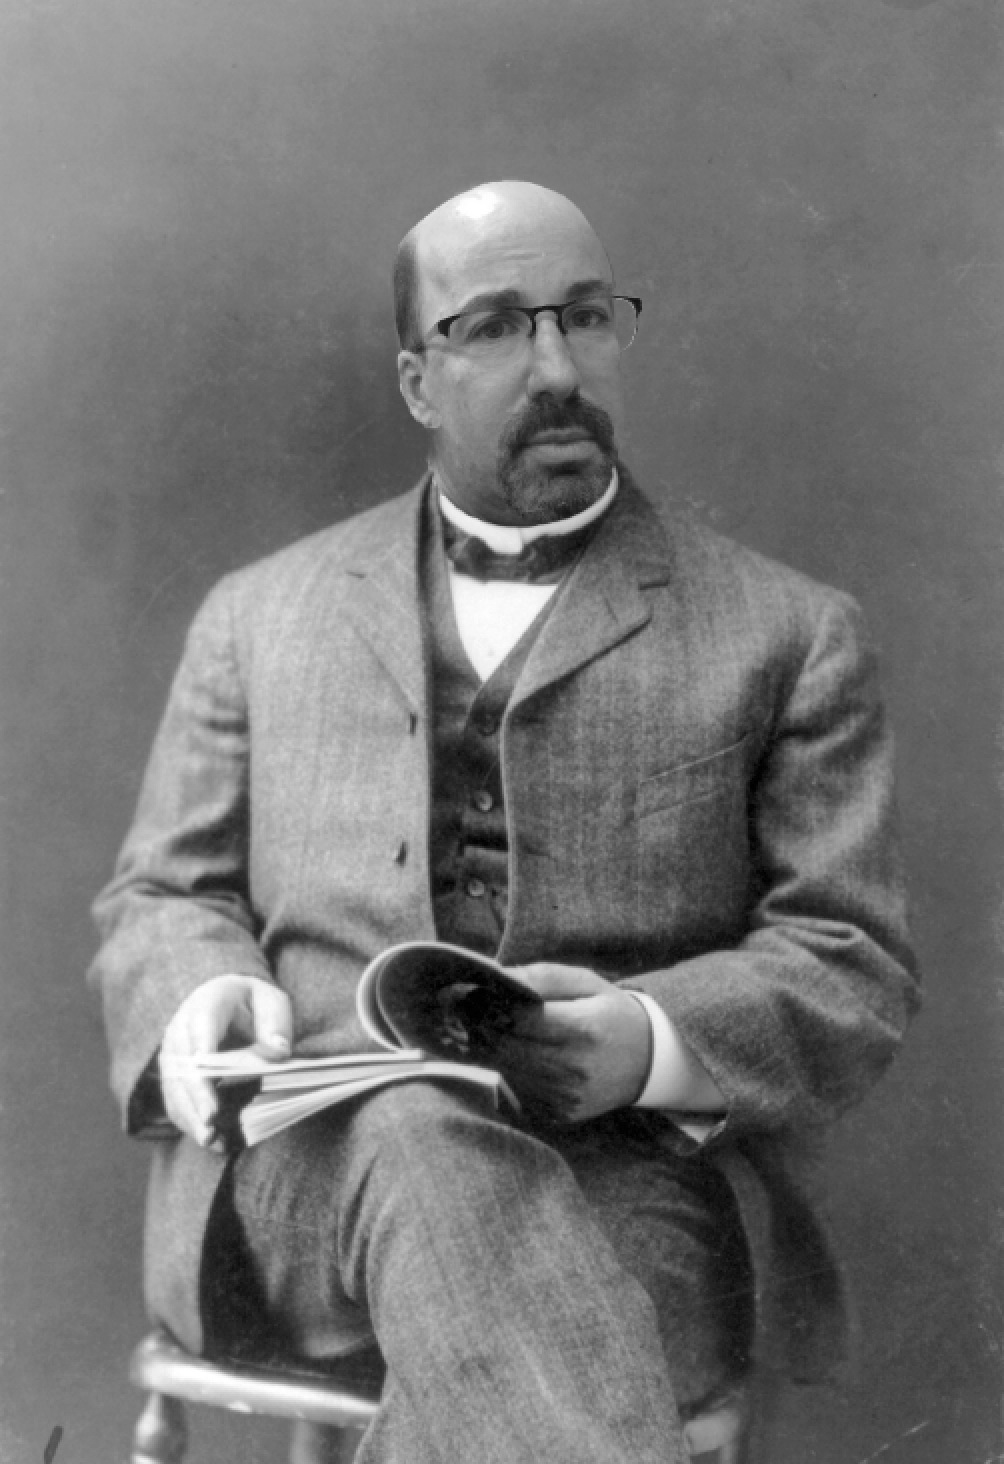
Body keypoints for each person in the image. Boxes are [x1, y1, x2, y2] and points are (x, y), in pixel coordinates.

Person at [90, 181, 919, 1464]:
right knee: (426, 1145)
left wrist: (646, 1041)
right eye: (492, 328)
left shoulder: (786, 633)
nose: (556, 370)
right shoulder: (258, 617)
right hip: (306, 1177)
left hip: (627, 1182)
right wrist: (201, 990)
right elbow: (161, 896)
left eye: (583, 317)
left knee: (529, 1321)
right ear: (417, 381)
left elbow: (848, 963)